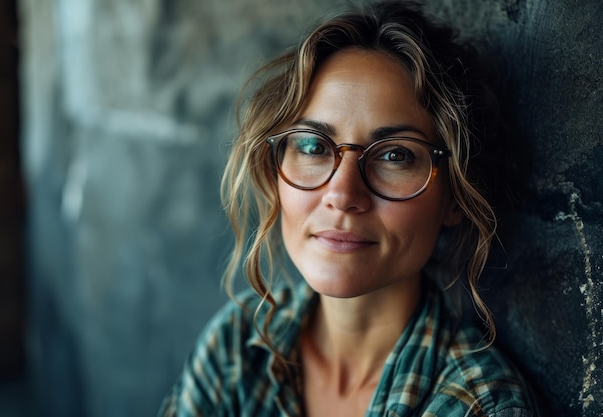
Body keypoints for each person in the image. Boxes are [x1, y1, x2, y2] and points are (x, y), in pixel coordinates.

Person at [159, 1, 538, 416]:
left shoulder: (480, 405)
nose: (342, 193)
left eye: (395, 156)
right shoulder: (236, 350)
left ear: (454, 197)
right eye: (313, 146)